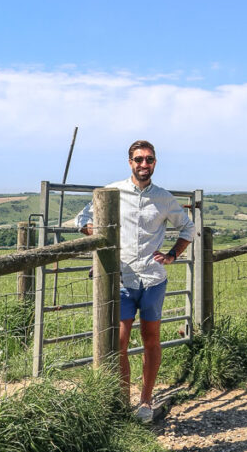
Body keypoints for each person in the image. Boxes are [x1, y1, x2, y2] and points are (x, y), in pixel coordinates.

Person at [76, 140, 194, 422]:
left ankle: (145, 402)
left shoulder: (164, 198)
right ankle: (121, 401)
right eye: (139, 159)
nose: (144, 164)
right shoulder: (112, 191)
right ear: (130, 162)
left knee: (151, 339)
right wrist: (99, 234)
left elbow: (188, 227)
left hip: (153, 279)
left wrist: (172, 254)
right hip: (121, 278)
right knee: (119, 341)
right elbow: (81, 218)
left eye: (149, 160)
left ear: (155, 163)